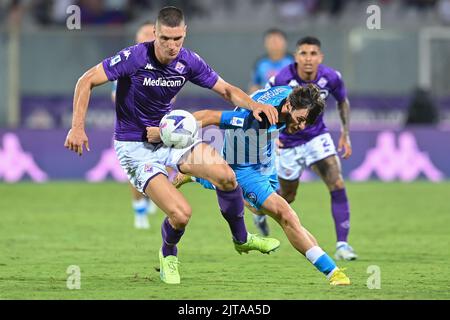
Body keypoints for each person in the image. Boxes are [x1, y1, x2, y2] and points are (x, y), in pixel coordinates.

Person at [64, 6, 280, 285]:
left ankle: (242, 239)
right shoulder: (135, 58)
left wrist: (254, 104)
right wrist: (78, 126)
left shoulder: (188, 61)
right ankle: (168, 254)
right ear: (154, 33)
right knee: (181, 214)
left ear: (185, 34)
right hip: (135, 148)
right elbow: (86, 80)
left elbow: (226, 89)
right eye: (165, 38)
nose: (171, 45)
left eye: (177, 39)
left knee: (227, 177)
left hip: (170, 137)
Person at [173, 84, 350, 285]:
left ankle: (201, 178)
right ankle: (332, 272)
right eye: (300, 120)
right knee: (285, 215)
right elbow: (210, 116)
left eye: (305, 123)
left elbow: (267, 91)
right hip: (243, 167)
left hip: (264, 157)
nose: (301, 127)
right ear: (289, 106)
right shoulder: (258, 117)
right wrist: (172, 132)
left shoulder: (290, 94)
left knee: (265, 211)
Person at [265, 36, 357, 261]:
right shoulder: (283, 78)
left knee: (336, 182)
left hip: (317, 139)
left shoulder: (331, 77)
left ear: (320, 57)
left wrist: (345, 133)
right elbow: (261, 103)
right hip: (287, 144)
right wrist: (271, 134)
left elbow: (342, 101)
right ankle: (260, 213)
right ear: (295, 56)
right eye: (303, 53)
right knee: (287, 197)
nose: (308, 59)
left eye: (313, 53)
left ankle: (343, 244)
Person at [111, 21, 158, 230]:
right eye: (144, 33)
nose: (148, 36)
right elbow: (115, 95)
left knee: (162, 166)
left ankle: (151, 197)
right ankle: (139, 210)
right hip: (132, 129)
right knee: (136, 172)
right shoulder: (127, 62)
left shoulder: (165, 64)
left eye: (152, 33)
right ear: (137, 38)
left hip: (158, 127)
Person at [248, 28, 294, 94]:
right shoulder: (260, 64)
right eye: (271, 41)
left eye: (278, 41)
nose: (274, 44)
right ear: (265, 44)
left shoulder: (293, 61)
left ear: (285, 42)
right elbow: (254, 85)